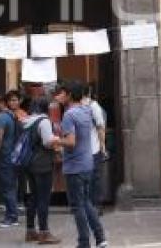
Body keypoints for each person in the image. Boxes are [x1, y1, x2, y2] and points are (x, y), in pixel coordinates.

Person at [54, 82, 107, 248]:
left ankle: (84, 242)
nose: (59, 96)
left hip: (75, 166)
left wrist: (56, 141)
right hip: (87, 163)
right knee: (86, 202)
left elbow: (70, 141)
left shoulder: (69, 115)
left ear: (69, 95)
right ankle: (100, 238)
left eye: (62, 92)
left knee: (77, 206)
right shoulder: (86, 110)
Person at [22, 96, 62, 245]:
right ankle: (44, 232)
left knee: (33, 197)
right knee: (43, 198)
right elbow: (47, 142)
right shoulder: (43, 121)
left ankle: (30, 231)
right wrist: (57, 140)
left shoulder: (28, 120)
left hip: (29, 163)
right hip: (43, 164)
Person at [0, 92, 20, 228]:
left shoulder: (1, 117)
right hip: (13, 155)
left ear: (1, 102)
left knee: (7, 187)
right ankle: (12, 215)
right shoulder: (12, 115)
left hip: (5, 156)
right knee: (11, 186)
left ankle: (11, 217)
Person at [82, 86, 107, 212]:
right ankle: (93, 205)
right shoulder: (90, 106)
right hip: (90, 149)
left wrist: (102, 146)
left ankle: (94, 205)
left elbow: (100, 127)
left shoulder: (92, 107)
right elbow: (100, 128)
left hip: (91, 149)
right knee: (91, 178)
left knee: (91, 178)